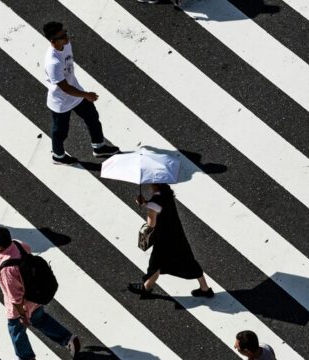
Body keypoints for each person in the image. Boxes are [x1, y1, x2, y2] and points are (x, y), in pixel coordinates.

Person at [0, 226, 80, 359]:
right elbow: (28, 250)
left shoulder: (7, 270)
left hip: (19, 308)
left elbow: (15, 298)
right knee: (41, 320)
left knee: (17, 333)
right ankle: (68, 339)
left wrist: (22, 317)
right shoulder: (18, 244)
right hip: (34, 296)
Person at [42, 21, 119, 165]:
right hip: (61, 101)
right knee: (60, 131)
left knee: (92, 117)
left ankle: (99, 146)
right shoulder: (53, 62)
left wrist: (83, 94)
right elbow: (64, 87)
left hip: (75, 92)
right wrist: (86, 95)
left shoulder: (66, 45)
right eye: (62, 36)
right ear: (53, 41)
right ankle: (58, 156)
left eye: (65, 33)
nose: (66, 37)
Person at [128, 183, 213, 298]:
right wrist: (146, 203)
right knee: (188, 260)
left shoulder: (155, 202)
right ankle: (205, 288)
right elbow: (160, 208)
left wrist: (148, 209)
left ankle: (146, 288)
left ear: (154, 185)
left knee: (156, 263)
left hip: (163, 239)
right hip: (176, 233)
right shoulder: (167, 194)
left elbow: (151, 224)